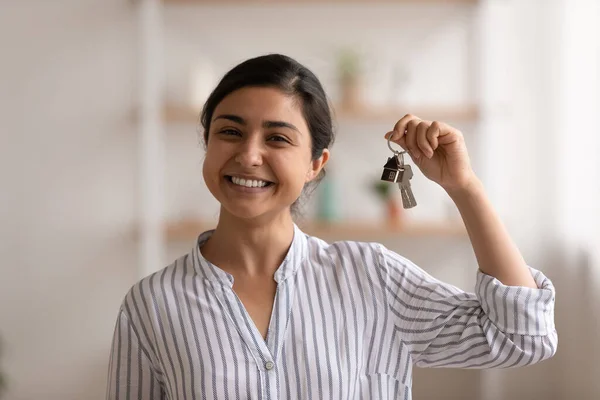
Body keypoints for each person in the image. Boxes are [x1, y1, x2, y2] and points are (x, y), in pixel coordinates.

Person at [106, 54, 557, 400]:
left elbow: (524, 337)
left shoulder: (372, 275)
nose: (248, 155)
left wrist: (464, 187)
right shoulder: (151, 304)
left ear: (315, 164)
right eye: (230, 132)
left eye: (278, 138)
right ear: (207, 144)